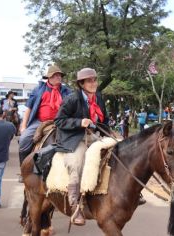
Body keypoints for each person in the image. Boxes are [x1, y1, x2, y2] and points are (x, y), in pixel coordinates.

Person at [54, 67, 109, 226]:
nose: (94, 83)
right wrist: (79, 122)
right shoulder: (72, 99)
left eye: (95, 80)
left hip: (95, 136)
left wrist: (109, 133)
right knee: (77, 164)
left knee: (122, 152)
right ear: (81, 84)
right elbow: (59, 121)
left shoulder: (98, 98)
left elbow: (103, 122)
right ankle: (75, 206)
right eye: (89, 81)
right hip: (75, 138)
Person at [18, 65, 71, 181]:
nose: (58, 77)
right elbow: (29, 108)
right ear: (49, 77)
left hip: (61, 121)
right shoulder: (38, 90)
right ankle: (23, 170)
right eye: (55, 75)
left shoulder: (67, 90)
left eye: (59, 75)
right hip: (40, 121)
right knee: (23, 140)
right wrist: (23, 126)